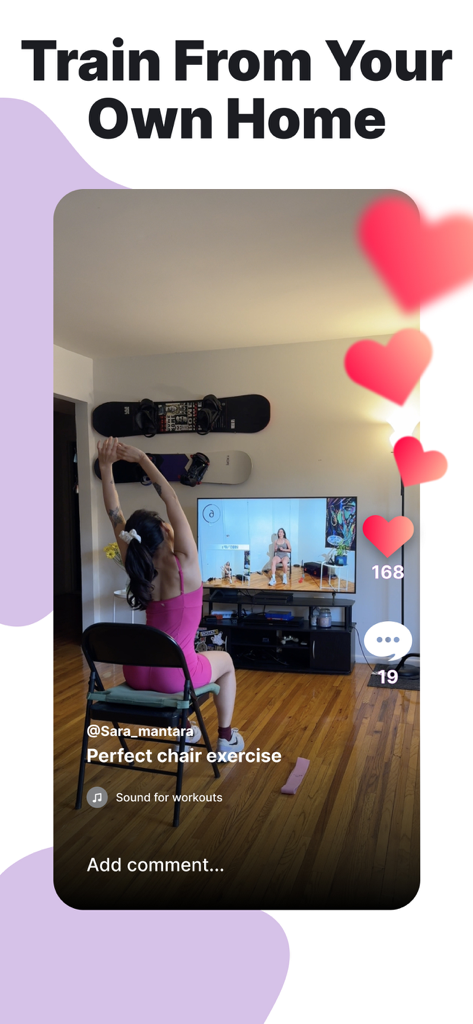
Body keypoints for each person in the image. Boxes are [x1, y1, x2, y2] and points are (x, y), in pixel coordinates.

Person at [97, 436, 244, 760]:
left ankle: (185, 729)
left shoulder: (137, 562)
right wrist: (142, 459)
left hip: (135, 671)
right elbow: (172, 497)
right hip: (174, 675)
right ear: (164, 530)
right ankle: (225, 740)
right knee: (227, 663)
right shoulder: (186, 563)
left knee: (178, 661)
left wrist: (106, 467)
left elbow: (114, 513)